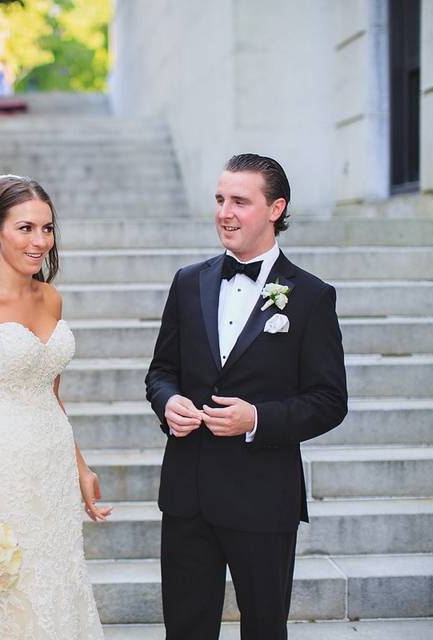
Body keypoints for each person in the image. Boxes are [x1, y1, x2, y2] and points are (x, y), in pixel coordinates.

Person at [146, 154, 348, 640]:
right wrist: (168, 403)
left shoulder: (311, 296)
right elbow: (161, 371)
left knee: (263, 627)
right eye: (219, 199)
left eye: (240, 201)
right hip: (187, 493)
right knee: (186, 628)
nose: (224, 212)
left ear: (276, 208)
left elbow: (329, 400)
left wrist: (256, 418)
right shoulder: (188, 281)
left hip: (263, 496)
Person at [0, 175, 108, 638]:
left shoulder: (50, 297)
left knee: (57, 575)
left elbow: (51, 394)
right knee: (7, 592)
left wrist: (80, 467)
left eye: (47, 229)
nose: (40, 241)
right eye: (26, 228)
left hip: (50, 460)